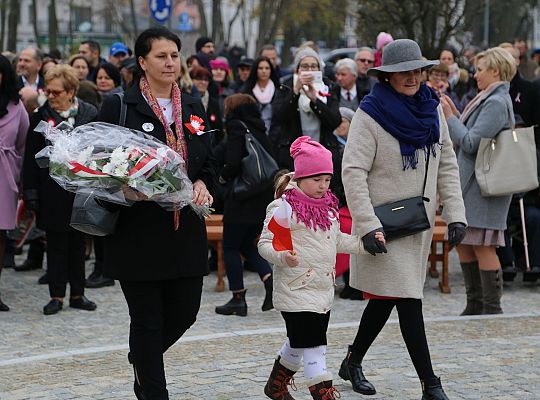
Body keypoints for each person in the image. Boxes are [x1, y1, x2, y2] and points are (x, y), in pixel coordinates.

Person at [341, 39, 467, 399]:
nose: (412, 78)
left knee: (387, 298)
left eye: (417, 70)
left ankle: (352, 360)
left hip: (419, 224)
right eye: (403, 72)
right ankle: (430, 384)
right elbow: (352, 171)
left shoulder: (432, 109)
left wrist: (455, 213)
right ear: (388, 76)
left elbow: (446, 163)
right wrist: (366, 224)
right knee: (409, 299)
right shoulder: (370, 113)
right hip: (385, 224)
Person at [97, 27, 215, 399]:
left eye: (175, 55)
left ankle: (142, 360)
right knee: (146, 321)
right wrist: (125, 188)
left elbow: (209, 158)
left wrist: (203, 183)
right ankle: (152, 390)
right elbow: (96, 165)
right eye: (161, 56)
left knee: (185, 312)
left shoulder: (193, 106)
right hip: (138, 233)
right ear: (142, 62)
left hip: (184, 232)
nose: (170, 62)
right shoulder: (120, 106)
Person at [258, 136, 382, 399]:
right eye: (317, 180)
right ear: (300, 177)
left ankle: (276, 385)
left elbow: (337, 239)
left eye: (327, 180)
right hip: (295, 288)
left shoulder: (328, 208)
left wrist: (365, 244)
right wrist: (282, 256)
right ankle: (323, 393)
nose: (323, 186)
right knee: (315, 346)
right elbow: (265, 243)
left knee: (298, 340)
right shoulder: (284, 207)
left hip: (322, 290)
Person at [441, 47, 516, 315]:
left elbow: (472, 142)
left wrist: (450, 118)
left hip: (485, 187)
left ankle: (491, 306)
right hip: (472, 184)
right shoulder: (487, 98)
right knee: (465, 243)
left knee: (483, 246)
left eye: (481, 70)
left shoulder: (496, 102)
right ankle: (474, 303)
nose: (475, 75)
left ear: (495, 71)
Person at [23, 64, 98, 315]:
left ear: (71, 91)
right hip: (51, 190)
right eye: (49, 92)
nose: (51, 97)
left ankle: (78, 293)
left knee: (78, 243)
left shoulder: (89, 113)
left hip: (81, 189)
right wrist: (31, 192)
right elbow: (31, 158)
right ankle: (56, 295)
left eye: (57, 92)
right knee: (55, 245)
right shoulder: (40, 116)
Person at [214, 94, 275, 317]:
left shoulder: (236, 126)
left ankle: (238, 297)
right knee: (248, 244)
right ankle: (269, 280)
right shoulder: (259, 127)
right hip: (260, 197)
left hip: (241, 197)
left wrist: (221, 178)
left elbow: (233, 159)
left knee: (230, 246)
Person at [272, 47, 343, 202]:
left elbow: (334, 121)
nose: (309, 70)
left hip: (323, 151)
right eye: (305, 66)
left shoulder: (328, 86)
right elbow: (280, 116)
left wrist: (315, 100)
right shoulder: (286, 85)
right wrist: (295, 92)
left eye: (313, 66)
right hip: (294, 155)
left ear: (320, 69)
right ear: (297, 69)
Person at [0, 55, 30, 311]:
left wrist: (18, 177)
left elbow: (22, 143)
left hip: (4, 174)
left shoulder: (15, 106)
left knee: (0, 235)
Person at [241, 56, 281, 138]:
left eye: (267, 68)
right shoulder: (246, 91)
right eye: (260, 68)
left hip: (274, 136)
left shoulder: (279, 92)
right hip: (252, 135)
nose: (264, 71)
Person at [189, 66, 223, 138]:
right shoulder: (185, 101)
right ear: (191, 80)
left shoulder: (214, 103)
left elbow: (219, 130)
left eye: (206, 79)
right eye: (198, 79)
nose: (203, 82)